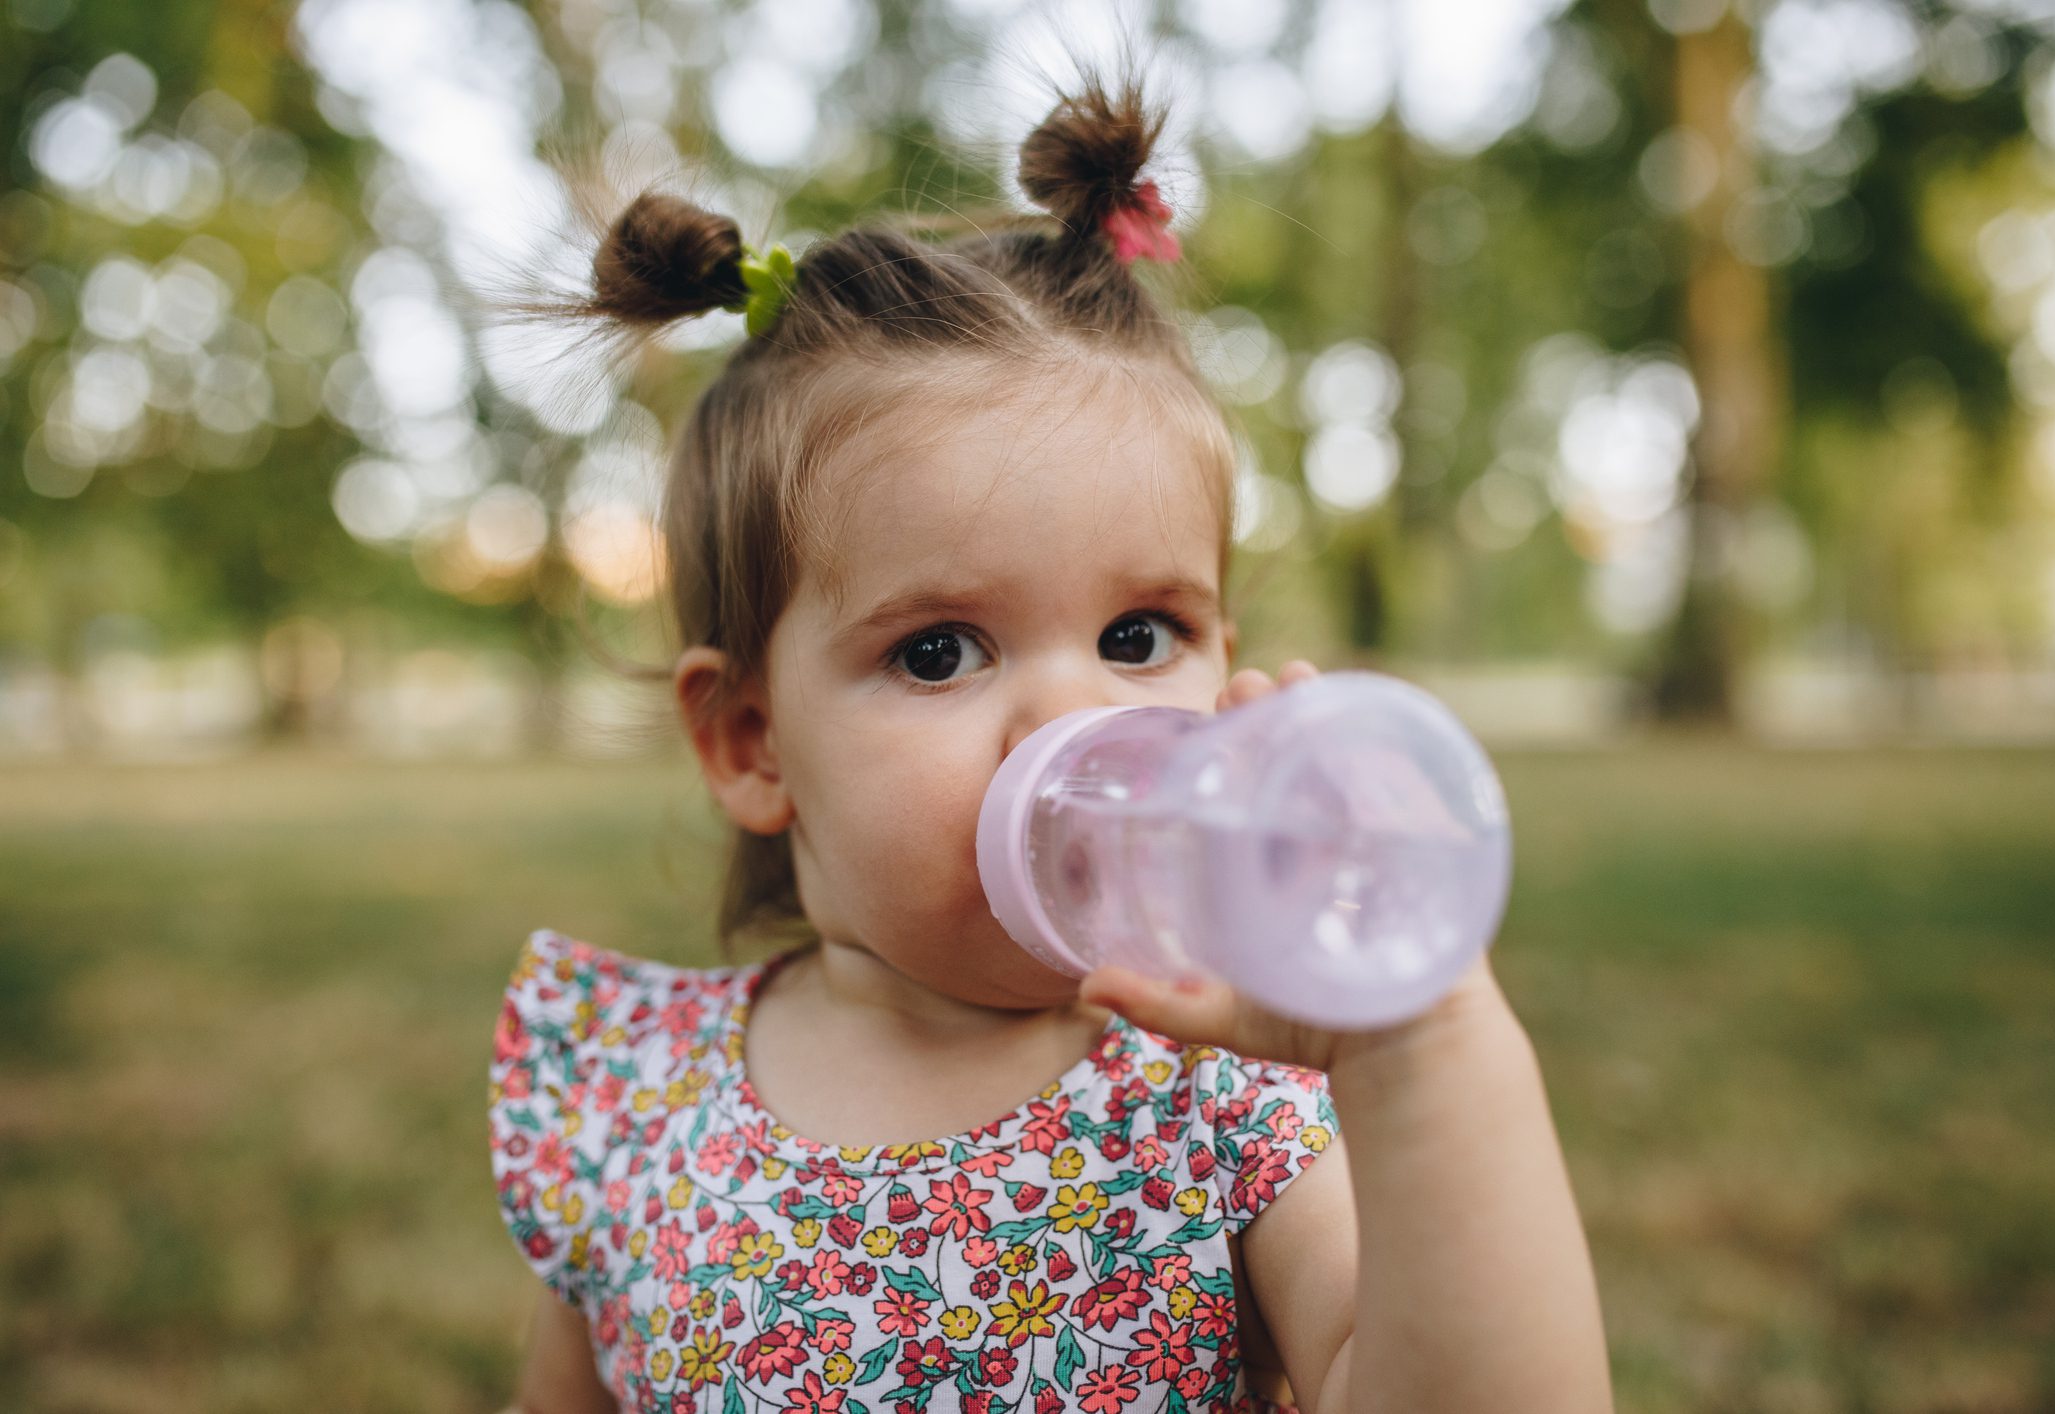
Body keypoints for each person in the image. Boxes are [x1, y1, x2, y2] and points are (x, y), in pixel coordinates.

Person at [487, 69, 1611, 1414]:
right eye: (937, 650)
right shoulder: (629, 1103)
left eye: (1140, 636)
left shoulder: (1226, 1106)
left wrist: (1418, 1041)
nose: (1080, 722)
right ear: (752, 741)